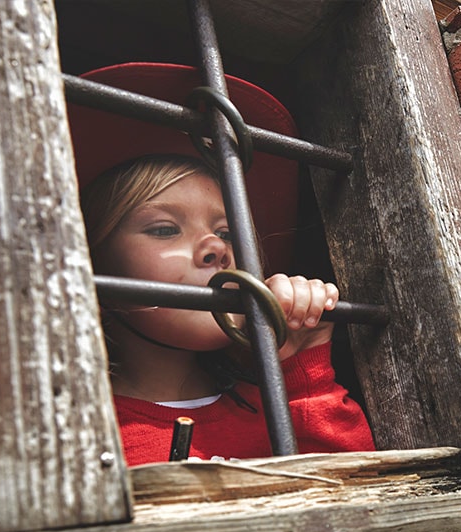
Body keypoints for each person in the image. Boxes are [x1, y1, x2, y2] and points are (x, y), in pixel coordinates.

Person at [69, 63, 374, 465]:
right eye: (164, 229)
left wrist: (301, 372)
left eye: (229, 233)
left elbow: (352, 489)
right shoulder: (73, 434)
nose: (215, 246)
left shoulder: (282, 409)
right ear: (91, 259)